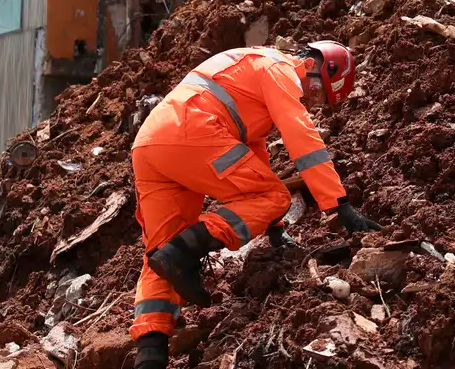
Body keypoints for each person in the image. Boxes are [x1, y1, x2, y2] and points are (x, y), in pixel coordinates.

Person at [129, 42, 381, 369]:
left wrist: (274, 227)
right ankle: (185, 250)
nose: (311, 101)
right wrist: (338, 204)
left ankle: (150, 355)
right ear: (311, 65)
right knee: (274, 196)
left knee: (159, 253)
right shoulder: (280, 69)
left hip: (151, 143)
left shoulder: (250, 78)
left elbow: (255, 157)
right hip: (190, 129)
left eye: (320, 101)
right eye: (317, 91)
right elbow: (300, 134)